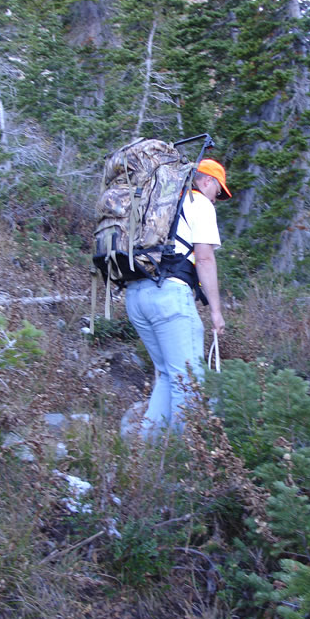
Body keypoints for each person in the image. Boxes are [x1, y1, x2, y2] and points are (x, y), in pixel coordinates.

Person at [124, 158, 231, 439]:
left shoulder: (157, 201)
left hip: (135, 294)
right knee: (188, 381)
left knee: (169, 376)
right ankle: (187, 464)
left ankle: (146, 457)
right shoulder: (200, 203)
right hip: (169, 296)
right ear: (207, 180)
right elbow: (205, 259)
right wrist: (216, 313)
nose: (217, 198)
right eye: (218, 191)